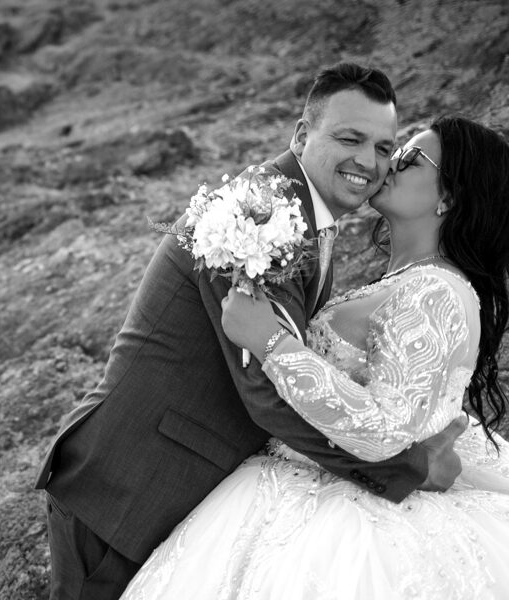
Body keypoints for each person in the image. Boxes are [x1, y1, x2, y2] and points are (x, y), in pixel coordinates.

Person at [35, 63, 465, 600]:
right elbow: (268, 389)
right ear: (302, 135)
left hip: (171, 481)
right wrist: (410, 467)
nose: (369, 162)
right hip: (129, 485)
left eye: (383, 148)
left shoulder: (304, 216)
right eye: (349, 139)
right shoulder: (257, 217)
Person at [120, 115, 509, 599]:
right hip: (306, 482)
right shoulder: (414, 280)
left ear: (448, 197)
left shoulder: (434, 293)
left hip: (349, 524)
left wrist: (271, 342)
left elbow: (384, 430)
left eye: (410, 158)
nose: (388, 164)